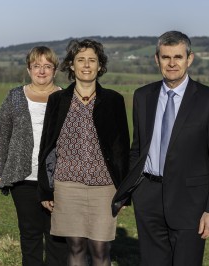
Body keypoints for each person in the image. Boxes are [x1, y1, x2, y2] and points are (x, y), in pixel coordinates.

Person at [112, 30, 209, 266]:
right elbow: (138, 149)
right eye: (166, 57)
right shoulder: (143, 96)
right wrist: (134, 190)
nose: (172, 63)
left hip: (191, 202)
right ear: (157, 59)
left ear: (190, 58)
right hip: (148, 198)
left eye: (178, 56)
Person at [38, 39, 130, 266]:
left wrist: (125, 191)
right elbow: (47, 147)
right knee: (76, 247)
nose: (86, 65)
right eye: (81, 60)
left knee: (100, 249)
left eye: (92, 60)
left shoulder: (114, 100)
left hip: (104, 187)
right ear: (71, 65)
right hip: (67, 186)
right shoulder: (58, 100)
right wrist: (45, 189)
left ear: (100, 66)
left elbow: (122, 148)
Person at [0, 46, 68, 265]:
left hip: (57, 180)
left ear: (55, 69)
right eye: (36, 66)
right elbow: (1, 135)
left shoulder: (66, 97)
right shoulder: (15, 96)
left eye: (47, 66)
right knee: (30, 235)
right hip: (22, 178)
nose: (41, 71)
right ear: (28, 69)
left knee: (57, 237)